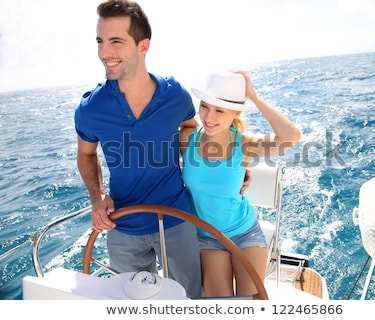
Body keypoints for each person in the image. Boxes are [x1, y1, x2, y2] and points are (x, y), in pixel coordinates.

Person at [74, 0, 205, 297]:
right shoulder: (90, 108)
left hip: (176, 219)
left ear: (143, 46)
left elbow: (191, 128)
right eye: (100, 41)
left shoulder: (175, 95)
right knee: (132, 307)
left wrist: (224, 167)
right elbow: (85, 153)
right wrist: (97, 197)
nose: (104, 53)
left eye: (116, 42)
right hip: (122, 225)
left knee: (190, 300)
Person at [180, 70, 301, 297]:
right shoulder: (188, 138)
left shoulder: (244, 145)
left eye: (219, 110)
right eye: (204, 106)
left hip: (245, 233)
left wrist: (254, 97)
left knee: (252, 302)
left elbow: (291, 137)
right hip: (206, 236)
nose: (208, 117)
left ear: (235, 112)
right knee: (223, 305)